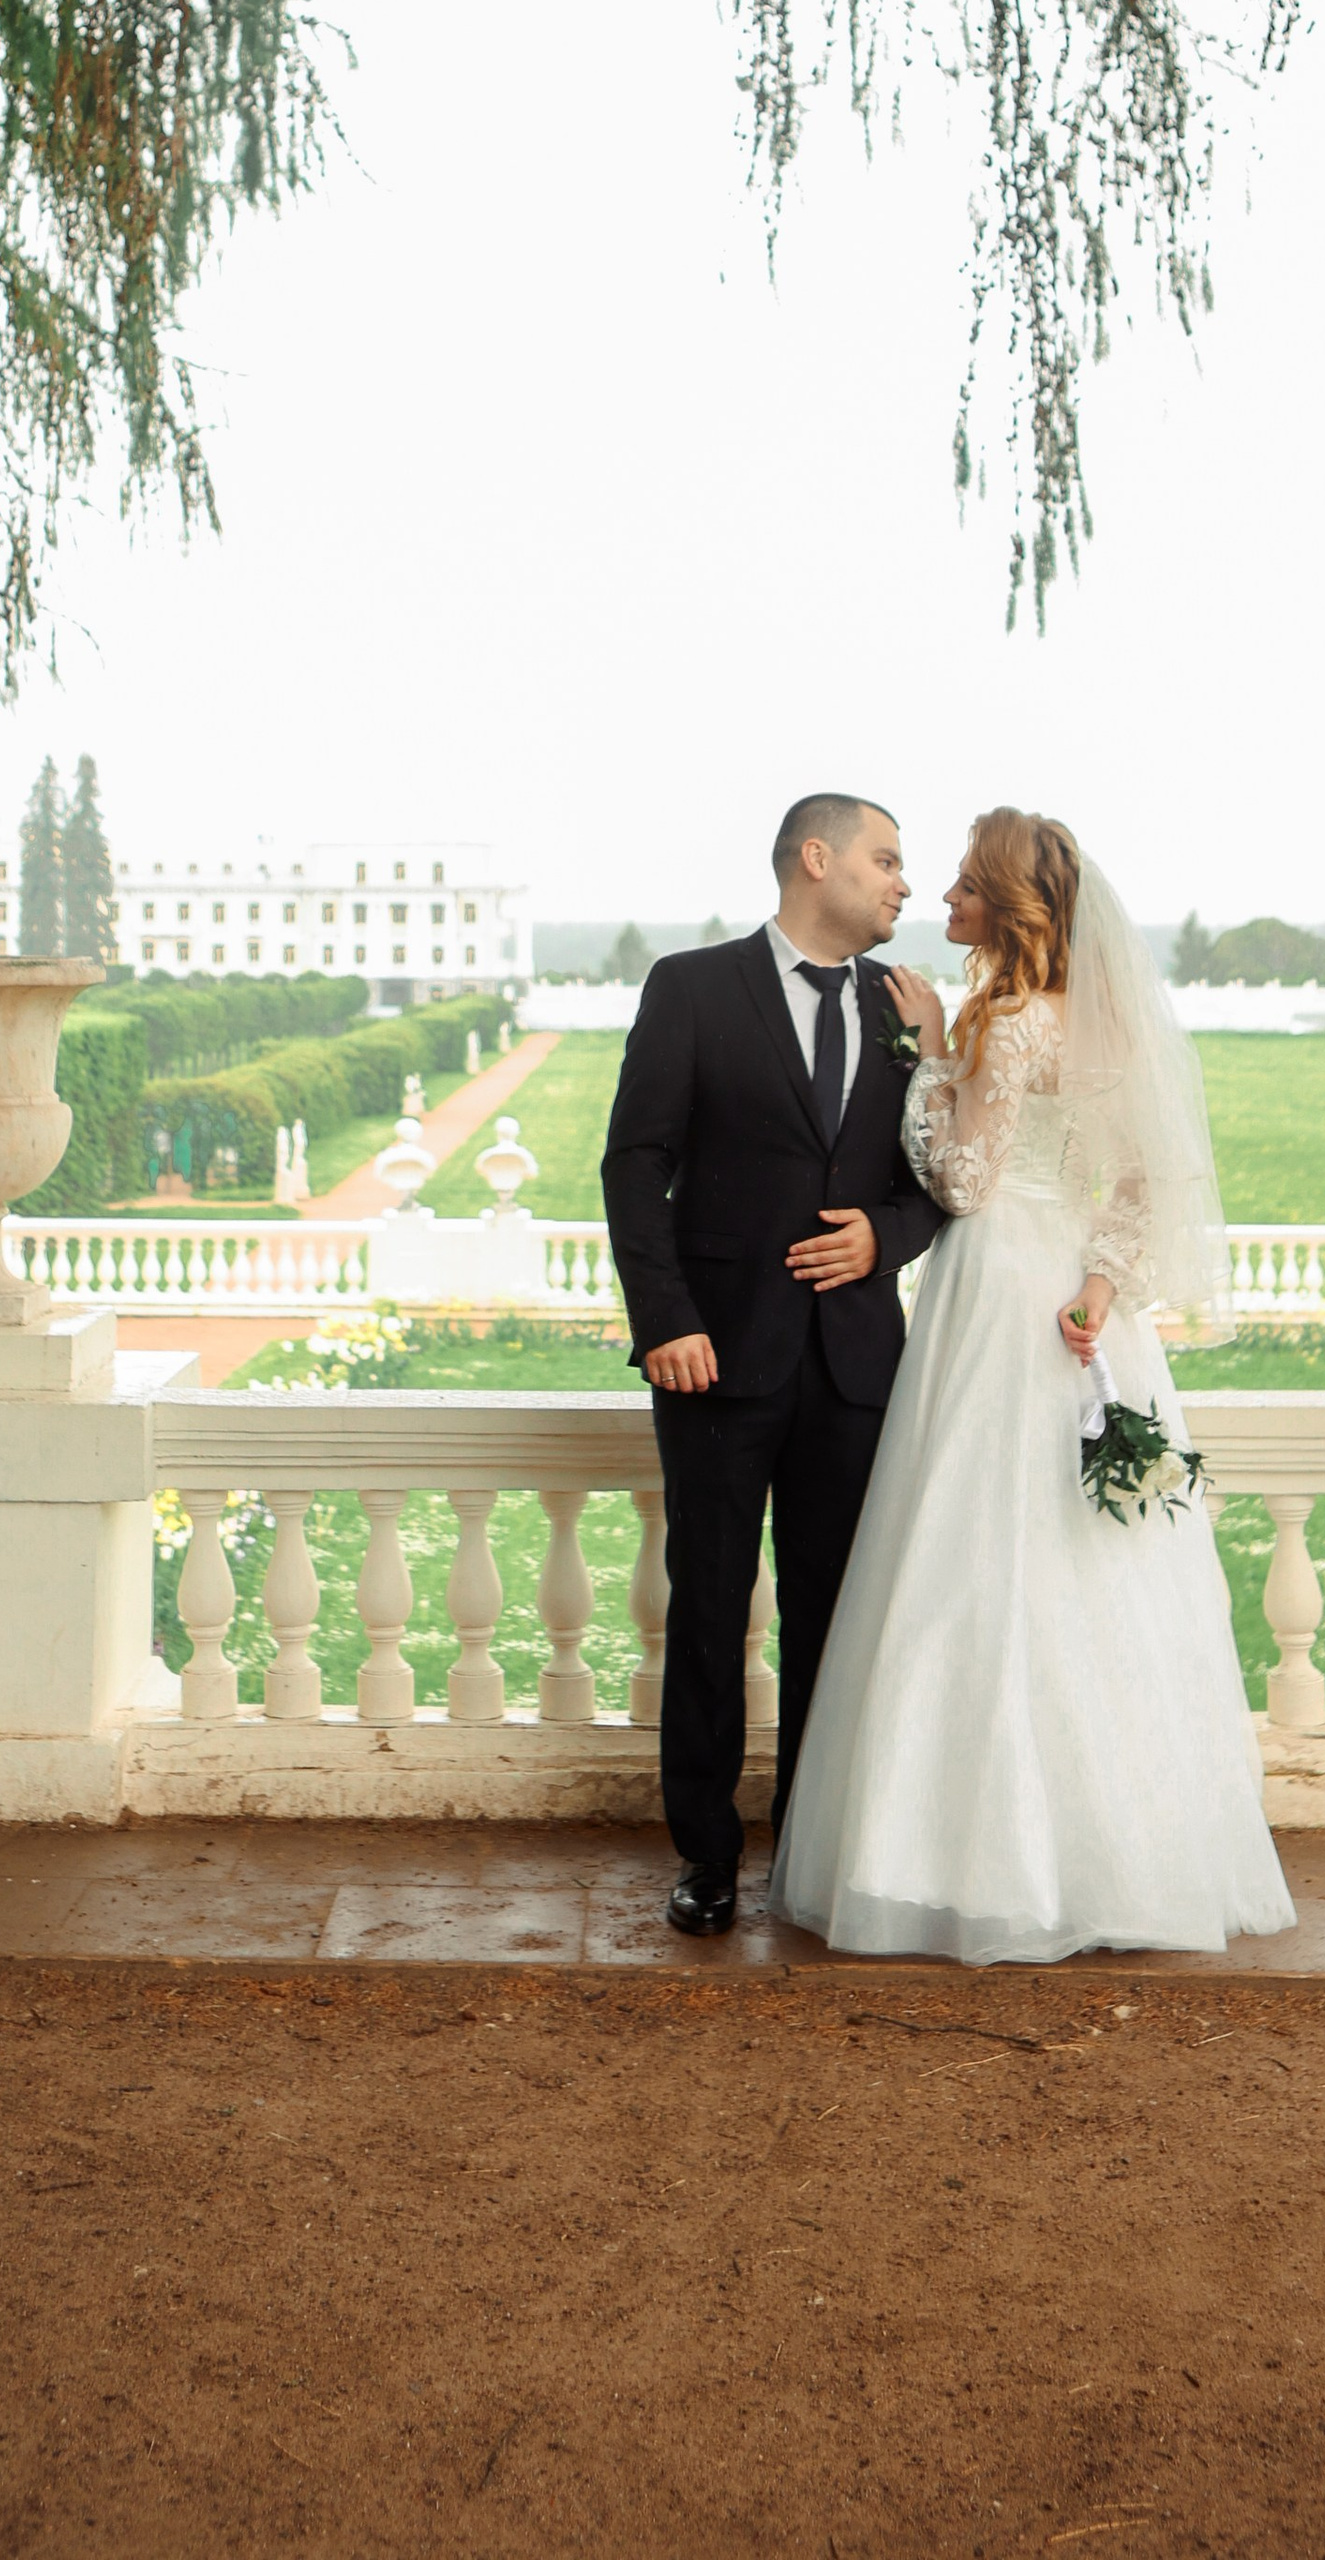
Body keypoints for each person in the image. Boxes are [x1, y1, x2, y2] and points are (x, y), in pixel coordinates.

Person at [769, 807, 1294, 1963]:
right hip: (1077, 1305)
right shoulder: (1106, 1026)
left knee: (973, 1553)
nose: (944, 900)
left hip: (997, 1293)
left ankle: (961, 1863)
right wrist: (1099, 1292)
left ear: (1007, 908)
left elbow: (962, 1180)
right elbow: (1140, 1183)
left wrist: (925, 1056)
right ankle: (1126, 1855)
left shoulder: (1005, 1023)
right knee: (1092, 1565)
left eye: (964, 887)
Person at [600, 794, 947, 1936]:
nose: (903, 882)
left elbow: (940, 1177)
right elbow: (633, 1162)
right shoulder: (692, 988)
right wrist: (666, 1319)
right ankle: (705, 1856)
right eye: (885, 859)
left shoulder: (907, 1008)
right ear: (816, 858)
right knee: (707, 1608)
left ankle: (809, 1850)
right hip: (712, 1358)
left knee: (834, 1617)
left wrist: (882, 1238)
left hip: (855, 1366)